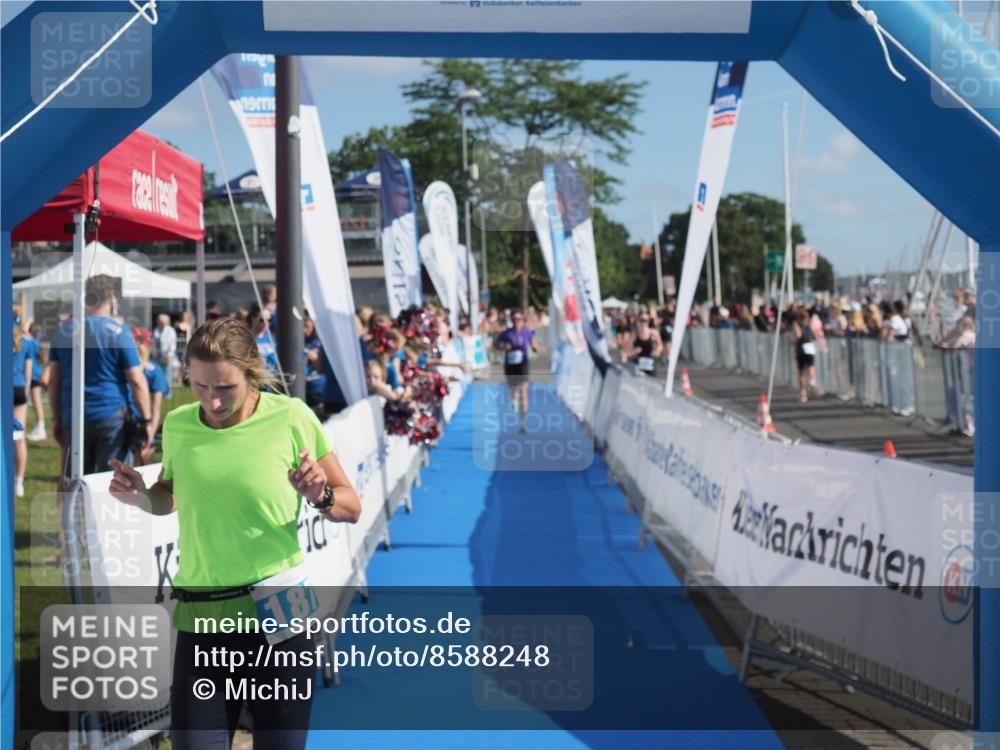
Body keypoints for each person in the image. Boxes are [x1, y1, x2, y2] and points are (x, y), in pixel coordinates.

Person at [107, 317, 361, 750]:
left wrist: (318, 495)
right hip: (203, 617)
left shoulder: (291, 417)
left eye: (225, 387)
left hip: (281, 615)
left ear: (251, 373)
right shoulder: (180, 424)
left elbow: (350, 506)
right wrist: (142, 497)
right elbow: (170, 495)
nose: (212, 400)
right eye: (200, 385)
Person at [48, 275, 154, 478]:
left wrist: (57, 419)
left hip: (75, 414)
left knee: (76, 481)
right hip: (111, 415)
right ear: (112, 298)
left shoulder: (63, 332)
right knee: (115, 482)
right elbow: (136, 380)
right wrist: (146, 420)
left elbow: (53, 381)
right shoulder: (119, 333)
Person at [496, 310, 538, 432]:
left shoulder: (527, 332)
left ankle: (522, 423)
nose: (516, 322)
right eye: (514, 319)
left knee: (523, 392)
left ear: (523, 321)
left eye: (519, 319)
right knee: (514, 393)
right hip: (510, 365)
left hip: (523, 364)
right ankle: (514, 400)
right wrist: (504, 346)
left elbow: (533, 344)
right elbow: (496, 345)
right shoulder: (506, 333)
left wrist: (535, 348)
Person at [131, 328, 168, 465]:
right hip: (135, 423)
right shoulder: (154, 370)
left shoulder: (153, 370)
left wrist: (150, 433)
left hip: (137, 423)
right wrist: (151, 432)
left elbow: (156, 408)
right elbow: (156, 408)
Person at [12, 321, 33, 497]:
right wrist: (25, 392)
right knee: (19, 437)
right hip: (18, 389)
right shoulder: (27, 342)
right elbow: (28, 373)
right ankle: (18, 482)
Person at [21, 317, 48, 442]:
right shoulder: (36, 343)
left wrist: (28, 321)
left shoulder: (30, 342)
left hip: (31, 375)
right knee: (36, 402)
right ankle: (39, 427)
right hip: (35, 374)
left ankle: (40, 428)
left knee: (35, 401)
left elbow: (23, 331)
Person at [621, 312, 663, 376]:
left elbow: (660, 345)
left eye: (646, 320)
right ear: (638, 321)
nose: (644, 322)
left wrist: (657, 350)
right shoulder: (634, 334)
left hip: (650, 364)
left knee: (651, 380)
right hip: (637, 364)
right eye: (642, 320)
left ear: (649, 321)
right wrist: (634, 351)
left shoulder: (654, 333)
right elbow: (626, 351)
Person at [793, 308, 818, 402]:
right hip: (810, 348)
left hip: (801, 349)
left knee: (801, 372)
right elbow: (815, 336)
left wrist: (794, 342)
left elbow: (798, 335)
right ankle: (812, 382)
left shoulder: (798, 325)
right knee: (811, 367)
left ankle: (803, 392)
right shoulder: (809, 326)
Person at [151, 313, 177, 399]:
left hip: (167, 356)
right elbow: (153, 344)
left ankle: (168, 394)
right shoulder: (156, 331)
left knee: (167, 375)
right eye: (158, 320)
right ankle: (160, 393)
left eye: (161, 321)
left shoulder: (171, 331)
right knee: (159, 375)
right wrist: (154, 354)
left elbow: (172, 344)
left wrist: (169, 355)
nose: (159, 322)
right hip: (157, 356)